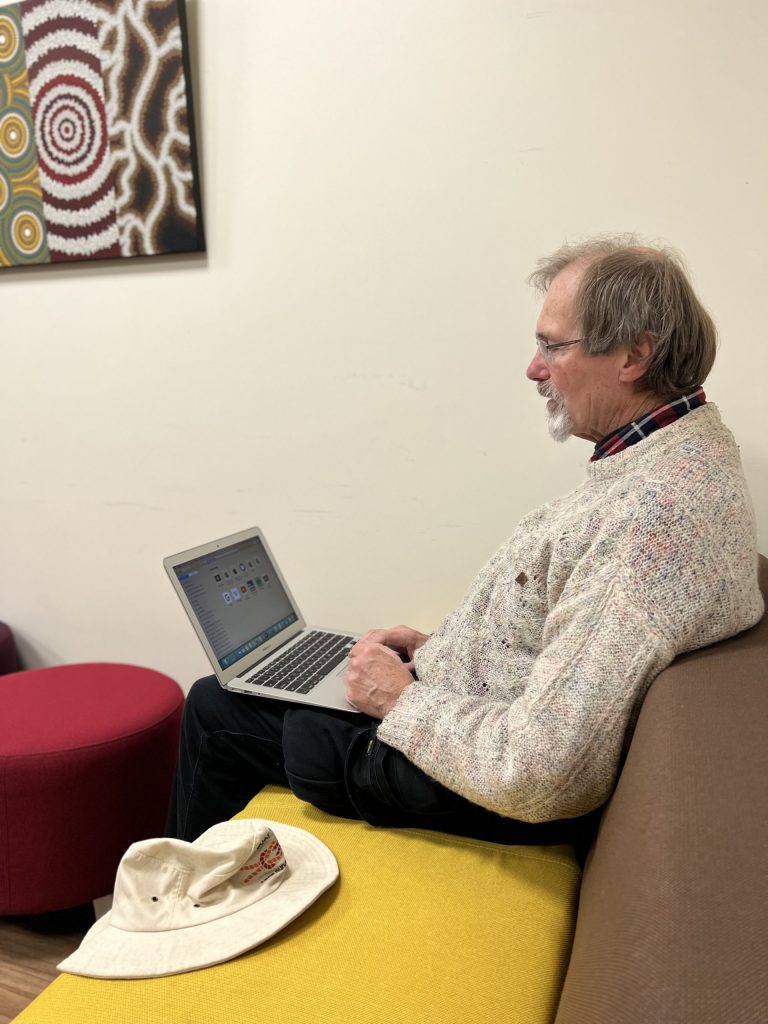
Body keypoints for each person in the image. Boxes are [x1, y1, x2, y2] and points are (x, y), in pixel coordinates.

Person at [165, 235, 764, 852]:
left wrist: (398, 698)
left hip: (456, 776)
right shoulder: (675, 457)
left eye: (553, 346)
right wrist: (442, 648)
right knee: (259, 682)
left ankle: (165, 919)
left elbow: (540, 774)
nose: (534, 369)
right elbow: (574, 638)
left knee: (216, 705)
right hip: (460, 707)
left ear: (635, 354)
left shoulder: (653, 521)